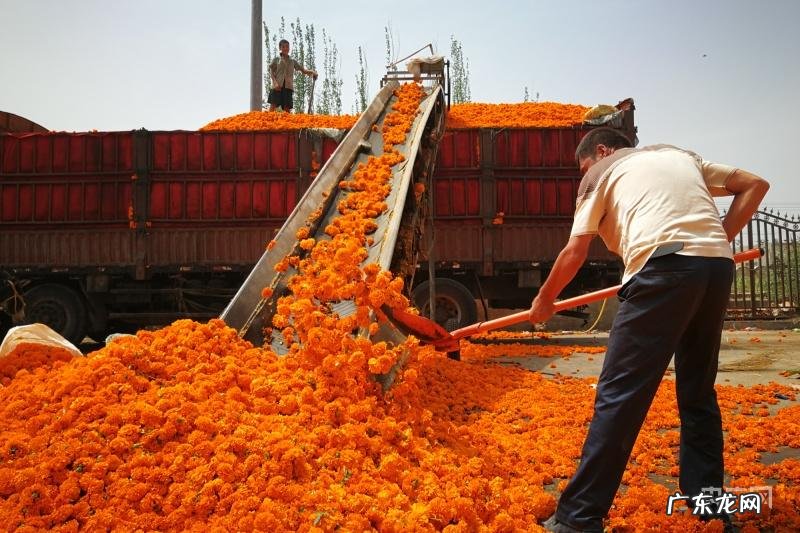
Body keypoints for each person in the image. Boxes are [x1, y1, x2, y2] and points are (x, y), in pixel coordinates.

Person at [531, 127, 769, 533]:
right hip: (714, 268)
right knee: (697, 392)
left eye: (581, 166)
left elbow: (575, 250)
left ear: (601, 150)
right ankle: (708, 509)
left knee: (620, 395)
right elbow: (755, 184)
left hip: (663, 270)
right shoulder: (679, 154)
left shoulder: (600, 171)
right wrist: (719, 240)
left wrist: (544, 300)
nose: (582, 176)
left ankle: (577, 519)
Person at [268, 39, 317, 113]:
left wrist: (312, 72)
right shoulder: (276, 59)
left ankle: (287, 123)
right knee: (273, 105)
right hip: (277, 86)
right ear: (280, 48)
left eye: (287, 47)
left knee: (287, 108)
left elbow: (303, 70)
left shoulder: (292, 61)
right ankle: (268, 123)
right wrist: (275, 82)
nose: (286, 48)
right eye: (283, 47)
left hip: (288, 87)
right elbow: (271, 71)